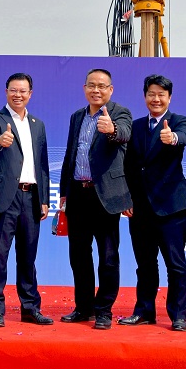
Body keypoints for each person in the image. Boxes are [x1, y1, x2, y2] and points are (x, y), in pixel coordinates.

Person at [58, 69, 133, 331]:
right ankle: (84, 307)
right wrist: (64, 192)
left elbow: (124, 133)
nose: (96, 90)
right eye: (91, 85)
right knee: (79, 255)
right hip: (78, 193)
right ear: (84, 88)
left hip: (105, 196)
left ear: (110, 90)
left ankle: (104, 310)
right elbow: (70, 154)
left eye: (102, 86)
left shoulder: (120, 112)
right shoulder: (77, 116)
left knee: (108, 256)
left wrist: (112, 129)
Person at [120, 74, 186, 331]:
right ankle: (144, 311)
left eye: (161, 95)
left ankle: (179, 315)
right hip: (140, 207)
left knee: (176, 264)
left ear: (169, 98)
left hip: (171, 205)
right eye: (151, 94)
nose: (156, 99)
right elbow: (128, 166)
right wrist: (127, 198)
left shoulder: (179, 121)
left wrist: (172, 138)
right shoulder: (136, 126)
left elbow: (183, 136)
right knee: (145, 265)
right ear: (145, 97)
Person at [0, 73, 53, 327]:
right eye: (13, 90)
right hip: (5, 198)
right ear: (6, 92)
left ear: (30, 94)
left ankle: (30, 308)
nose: (18, 95)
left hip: (31, 196)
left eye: (23, 91)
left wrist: (44, 198)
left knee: (28, 256)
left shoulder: (37, 124)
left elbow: (42, 165)